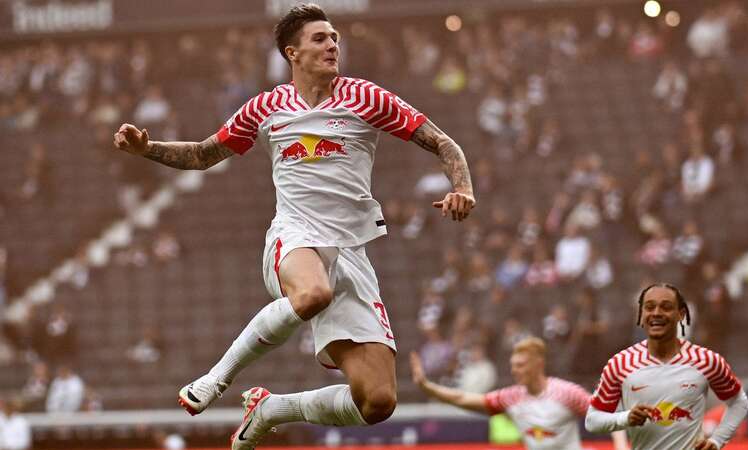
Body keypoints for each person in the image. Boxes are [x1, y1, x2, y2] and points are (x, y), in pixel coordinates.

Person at [111, 4, 475, 450]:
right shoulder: (266, 107)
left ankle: (271, 410)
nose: (332, 44)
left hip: (351, 252)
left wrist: (463, 188)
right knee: (312, 293)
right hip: (295, 234)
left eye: (335, 37)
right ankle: (216, 378)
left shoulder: (367, 97)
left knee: (378, 401)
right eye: (320, 38)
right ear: (292, 52)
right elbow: (204, 154)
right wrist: (148, 149)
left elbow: (443, 142)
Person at [585, 283, 748, 450]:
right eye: (649, 307)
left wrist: (717, 441)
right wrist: (626, 418)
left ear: (681, 314)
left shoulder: (706, 360)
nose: (656, 313)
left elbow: (739, 402)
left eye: (666, 307)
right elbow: (592, 420)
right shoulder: (620, 363)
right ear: (641, 315)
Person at [410, 337, 628, 450]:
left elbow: (606, 413)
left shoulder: (566, 392)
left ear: (538, 364)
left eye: (521, 365)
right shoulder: (510, 397)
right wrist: (427, 386)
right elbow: (463, 398)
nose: (515, 370)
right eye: (513, 365)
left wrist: (620, 447)